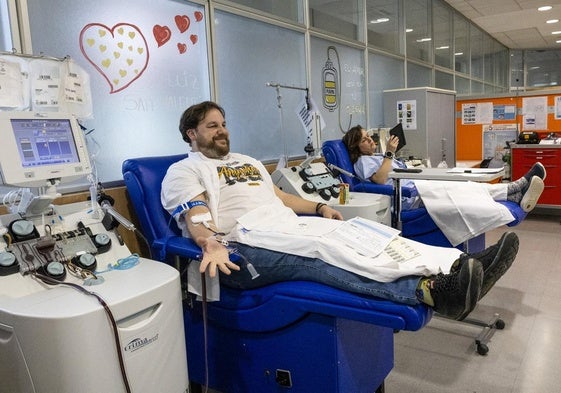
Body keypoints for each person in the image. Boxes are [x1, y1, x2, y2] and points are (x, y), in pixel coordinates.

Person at [161, 101, 520, 321]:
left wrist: (319, 206)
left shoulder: (248, 162)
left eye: (223, 124)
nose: (222, 131)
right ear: (191, 133)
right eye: (212, 126)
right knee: (321, 256)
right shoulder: (184, 170)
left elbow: (279, 198)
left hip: (282, 227)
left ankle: (455, 266)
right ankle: (433, 291)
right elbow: (196, 215)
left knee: (366, 232)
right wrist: (209, 242)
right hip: (238, 248)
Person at [342, 125, 546, 213]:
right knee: (462, 189)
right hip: (409, 197)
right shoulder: (362, 162)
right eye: (365, 139)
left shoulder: (375, 156)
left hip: (417, 186)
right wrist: (389, 153)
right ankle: (514, 189)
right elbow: (379, 179)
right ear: (356, 147)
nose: (370, 140)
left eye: (369, 136)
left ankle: (513, 194)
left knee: (465, 186)